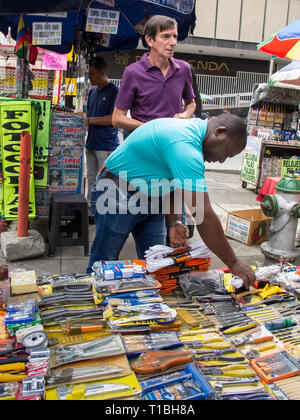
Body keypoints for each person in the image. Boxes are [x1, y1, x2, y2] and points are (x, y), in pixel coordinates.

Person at [87, 113, 256, 289]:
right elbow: (203, 215)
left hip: (153, 197)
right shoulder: (185, 146)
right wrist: (234, 263)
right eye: (226, 153)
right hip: (117, 192)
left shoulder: (194, 133)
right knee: (102, 266)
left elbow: (173, 181)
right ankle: (89, 304)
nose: (221, 161)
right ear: (219, 132)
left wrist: (174, 221)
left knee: (158, 267)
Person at [112, 15, 196, 138]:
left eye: (175, 36)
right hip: (143, 143)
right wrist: (152, 129)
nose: (173, 42)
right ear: (150, 40)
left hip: (172, 141)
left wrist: (186, 114)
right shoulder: (133, 72)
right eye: (166, 36)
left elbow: (191, 102)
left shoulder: (184, 69)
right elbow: (117, 118)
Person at [85, 56, 119, 223]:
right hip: (90, 142)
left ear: (102, 72)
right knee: (91, 178)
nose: (89, 77)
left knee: (105, 180)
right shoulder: (92, 91)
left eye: (92, 73)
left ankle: (105, 213)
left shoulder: (114, 91)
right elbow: (89, 113)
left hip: (106, 145)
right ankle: (92, 212)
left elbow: (114, 118)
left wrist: (90, 121)